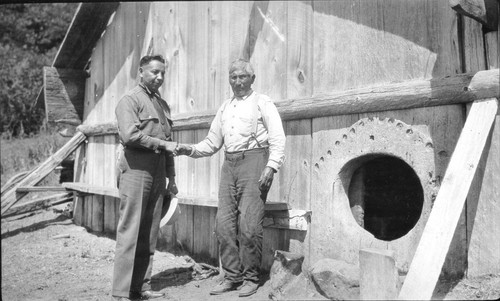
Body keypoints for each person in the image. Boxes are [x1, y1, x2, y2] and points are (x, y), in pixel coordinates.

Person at [176, 59, 286, 297]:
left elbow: (277, 136)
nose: (238, 82)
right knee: (223, 225)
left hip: (255, 162)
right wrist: (188, 149)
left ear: (252, 79)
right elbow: (212, 142)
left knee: (249, 225)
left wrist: (271, 167)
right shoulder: (225, 107)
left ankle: (250, 278)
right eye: (233, 77)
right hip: (230, 165)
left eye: (243, 77)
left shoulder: (262, 102)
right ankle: (232, 276)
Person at [112, 54, 178, 301]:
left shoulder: (162, 105)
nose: (159, 77)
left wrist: (171, 177)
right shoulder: (129, 100)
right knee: (130, 231)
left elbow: (168, 143)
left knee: (149, 233)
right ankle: (121, 293)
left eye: (162, 72)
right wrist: (162, 144)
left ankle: (141, 287)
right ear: (141, 72)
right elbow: (130, 136)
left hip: (158, 173)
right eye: (154, 72)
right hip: (136, 171)